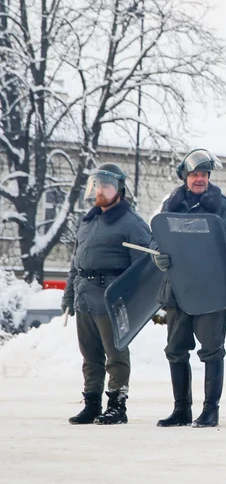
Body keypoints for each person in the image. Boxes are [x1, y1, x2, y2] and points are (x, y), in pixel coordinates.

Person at [154, 149, 226, 428]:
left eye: (204, 175)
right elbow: (158, 238)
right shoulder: (172, 203)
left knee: (212, 351)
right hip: (177, 288)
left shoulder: (222, 205)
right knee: (176, 350)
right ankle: (181, 409)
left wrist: (211, 246)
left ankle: (210, 410)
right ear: (185, 177)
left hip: (210, 288)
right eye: (194, 174)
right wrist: (158, 254)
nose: (200, 179)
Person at [63, 164, 152, 425]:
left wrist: (130, 301)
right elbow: (75, 262)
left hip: (111, 297)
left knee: (115, 354)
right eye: (98, 185)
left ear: (119, 190)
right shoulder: (88, 221)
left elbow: (144, 266)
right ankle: (92, 403)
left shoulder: (132, 223)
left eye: (107, 185)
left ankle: (117, 405)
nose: (101, 190)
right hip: (84, 296)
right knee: (90, 355)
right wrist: (69, 295)